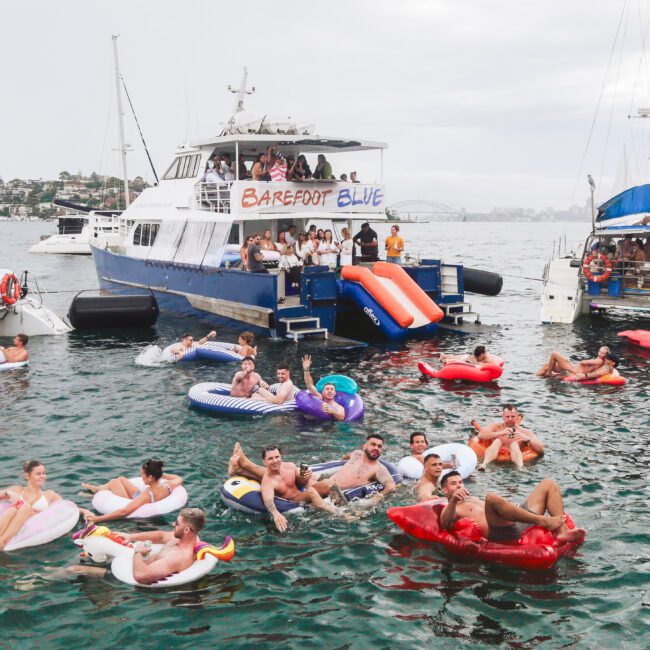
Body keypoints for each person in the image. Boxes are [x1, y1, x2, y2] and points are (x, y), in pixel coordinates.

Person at [439, 472, 586, 544]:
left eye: (460, 482)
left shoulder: (472, 498)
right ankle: (543, 521)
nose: (459, 485)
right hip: (501, 532)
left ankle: (562, 532)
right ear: (445, 490)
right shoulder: (451, 508)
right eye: (453, 484)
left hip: (515, 521)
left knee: (549, 483)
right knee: (491, 497)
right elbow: (445, 523)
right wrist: (453, 502)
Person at [70, 508, 207, 584]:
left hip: (127, 581)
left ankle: (50, 577)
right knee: (90, 552)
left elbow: (141, 576)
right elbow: (161, 536)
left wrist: (137, 551)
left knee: (75, 569)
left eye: (177, 523)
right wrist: (131, 537)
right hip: (137, 564)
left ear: (187, 529)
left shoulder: (179, 556)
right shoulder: (184, 538)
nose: (173, 525)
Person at [228, 444, 335, 533]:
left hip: (301, 493)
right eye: (270, 458)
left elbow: (301, 483)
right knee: (311, 491)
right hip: (294, 501)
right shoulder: (268, 481)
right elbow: (268, 499)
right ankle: (337, 514)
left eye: (277, 457)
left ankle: (239, 469)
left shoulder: (290, 466)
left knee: (328, 483)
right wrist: (275, 514)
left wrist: (304, 476)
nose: (275, 461)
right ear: (264, 462)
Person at [79, 460, 184, 524]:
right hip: (141, 496)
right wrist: (162, 475)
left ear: (150, 477)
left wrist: (98, 519)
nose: (141, 477)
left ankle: (96, 490)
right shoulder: (167, 486)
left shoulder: (147, 495)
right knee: (121, 479)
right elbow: (179, 478)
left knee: (114, 482)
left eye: (143, 475)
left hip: (133, 501)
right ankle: (96, 489)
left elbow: (124, 512)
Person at [311, 434, 397, 505]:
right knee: (300, 472)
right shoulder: (357, 454)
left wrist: (375, 499)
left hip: (336, 494)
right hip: (327, 482)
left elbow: (391, 486)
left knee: (321, 486)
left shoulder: (379, 468)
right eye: (373, 444)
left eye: (379, 446)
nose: (376, 448)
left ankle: (301, 496)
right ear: (364, 446)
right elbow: (346, 457)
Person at [0, 460, 61, 550]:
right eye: (38, 474)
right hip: (11, 525)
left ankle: (2, 542)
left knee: (26, 507)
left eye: (44, 473)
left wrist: (85, 511)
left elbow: (66, 507)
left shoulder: (49, 494)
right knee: (16, 507)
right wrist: (8, 492)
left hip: (32, 528)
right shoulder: (18, 490)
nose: (43, 476)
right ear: (28, 476)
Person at [476, 404, 544, 471]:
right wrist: (499, 433)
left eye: (513, 416)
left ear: (517, 417)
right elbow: (480, 435)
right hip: (494, 457)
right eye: (507, 416)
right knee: (497, 441)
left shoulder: (523, 432)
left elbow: (541, 449)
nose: (510, 419)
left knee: (514, 444)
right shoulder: (496, 427)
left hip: (513, 460)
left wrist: (528, 439)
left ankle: (520, 467)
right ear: (503, 417)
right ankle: (484, 464)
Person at [301, 354, 346, 421]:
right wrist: (306, 369)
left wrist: (332, 411)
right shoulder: (319, 398)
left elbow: (341, 417)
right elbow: (310, 385)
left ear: (335, 393)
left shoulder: (338, 407)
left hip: (327, 427)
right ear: (322, 392)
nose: (329, 391)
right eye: (327, 389)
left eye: (332, 389)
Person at [536, 346, 611, 377]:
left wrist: (584, 361)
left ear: (606, 355)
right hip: (574, 368)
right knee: (546, 366)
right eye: (599, 352)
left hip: (574, 370)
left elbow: (582, 362)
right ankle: (536, 376)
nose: (600, 354)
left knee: (554, 354)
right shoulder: (598, 360)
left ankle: (548, 373)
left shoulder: (599, 361)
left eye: (602, 353)